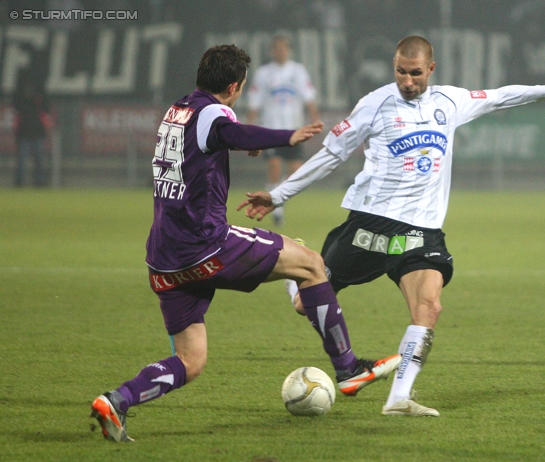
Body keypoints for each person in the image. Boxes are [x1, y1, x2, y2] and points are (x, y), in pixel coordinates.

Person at [238, 36, 545, 417]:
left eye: (415, 73)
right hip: (371, 225)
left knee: (429, 306)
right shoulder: (375, 105)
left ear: (430, 69)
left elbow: (500, 96)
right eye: (401, 72)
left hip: (421, 231)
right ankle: (294, 273)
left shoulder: (450, 101)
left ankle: (398, 398)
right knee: (304, 303)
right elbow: (332, 154)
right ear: (393, 67)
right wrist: (278, 195)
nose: (408, 81)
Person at [90, 45, 400, 442]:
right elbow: (227, 129)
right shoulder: (214, 113)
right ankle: (348, 368)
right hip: (206, 245)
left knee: (191, 359)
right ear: (235, 87)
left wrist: (235, 142)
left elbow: (214, 140)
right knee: (310, 264)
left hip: (164, 259)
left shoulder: (178, 110)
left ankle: (116, 401)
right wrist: (287, 137)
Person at [246, 34, 320, 226]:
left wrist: (315, 118)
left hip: (293, 129)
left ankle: (278, 200)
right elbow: (255, 102)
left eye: (283, 48)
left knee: (296, 171)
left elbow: (308, 96)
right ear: (272, 51)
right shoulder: (263, 73)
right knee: (275, 167)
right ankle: (276, 211)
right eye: (276, 48)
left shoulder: (298, 71)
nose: (280, 51)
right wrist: (248, 130)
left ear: (289, 50)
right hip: (271, 130)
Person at [13, 82, 52, 187]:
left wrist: (48, 136)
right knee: (22, 161)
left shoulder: (38, 104)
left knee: (38, 160)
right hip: (24, 135)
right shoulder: (22, 105)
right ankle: (20, 183)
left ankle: (38, 182)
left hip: (36, 135)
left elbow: (45, 120)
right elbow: (17, 121)